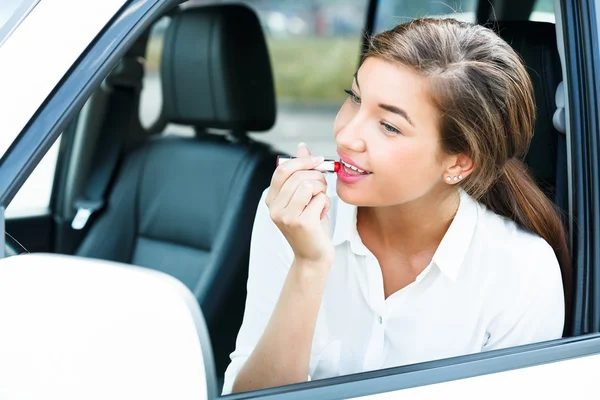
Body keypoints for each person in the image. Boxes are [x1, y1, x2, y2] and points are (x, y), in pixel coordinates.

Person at [221, 17, 571, 395]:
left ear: (458, 163)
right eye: (354, 98)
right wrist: (308, 265)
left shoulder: (521, 273)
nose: (346, 134)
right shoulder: (295, 214)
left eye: (389, 126)